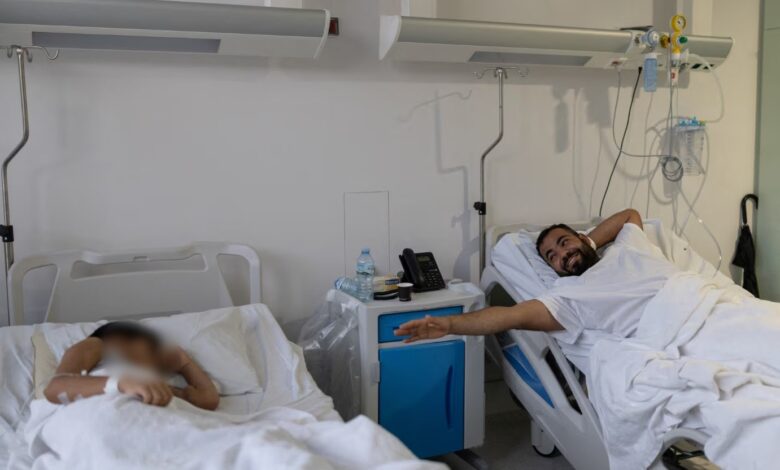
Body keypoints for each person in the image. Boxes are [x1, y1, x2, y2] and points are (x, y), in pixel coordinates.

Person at [395, 208, 685, 343]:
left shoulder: (627, 247)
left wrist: (588, 243)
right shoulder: (569, 294)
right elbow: (510, 316)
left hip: (693, 298)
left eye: (564, 243)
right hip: (673, 328)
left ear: (581, 238)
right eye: (552, 257)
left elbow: (630, 215)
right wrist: (449, 324)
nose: (562, 255)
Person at [44, 321, 220, 410]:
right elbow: (55, 387)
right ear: (121, 338)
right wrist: (120, 383)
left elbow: (208, 401)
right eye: (152, 349)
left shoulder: (155, 385)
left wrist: (186, 364)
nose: (159, 360)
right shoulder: (99, 346)